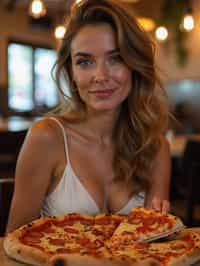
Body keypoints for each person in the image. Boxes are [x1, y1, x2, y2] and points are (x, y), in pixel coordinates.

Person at [6, 0, 171, 233]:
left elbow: (150, 247)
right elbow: (14, 244)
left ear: (135, 65)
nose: (100, 76)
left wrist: (161, 231)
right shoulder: (47, 138)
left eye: (116, 58)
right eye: (85, 62)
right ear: (70, 72)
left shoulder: (155, 148)